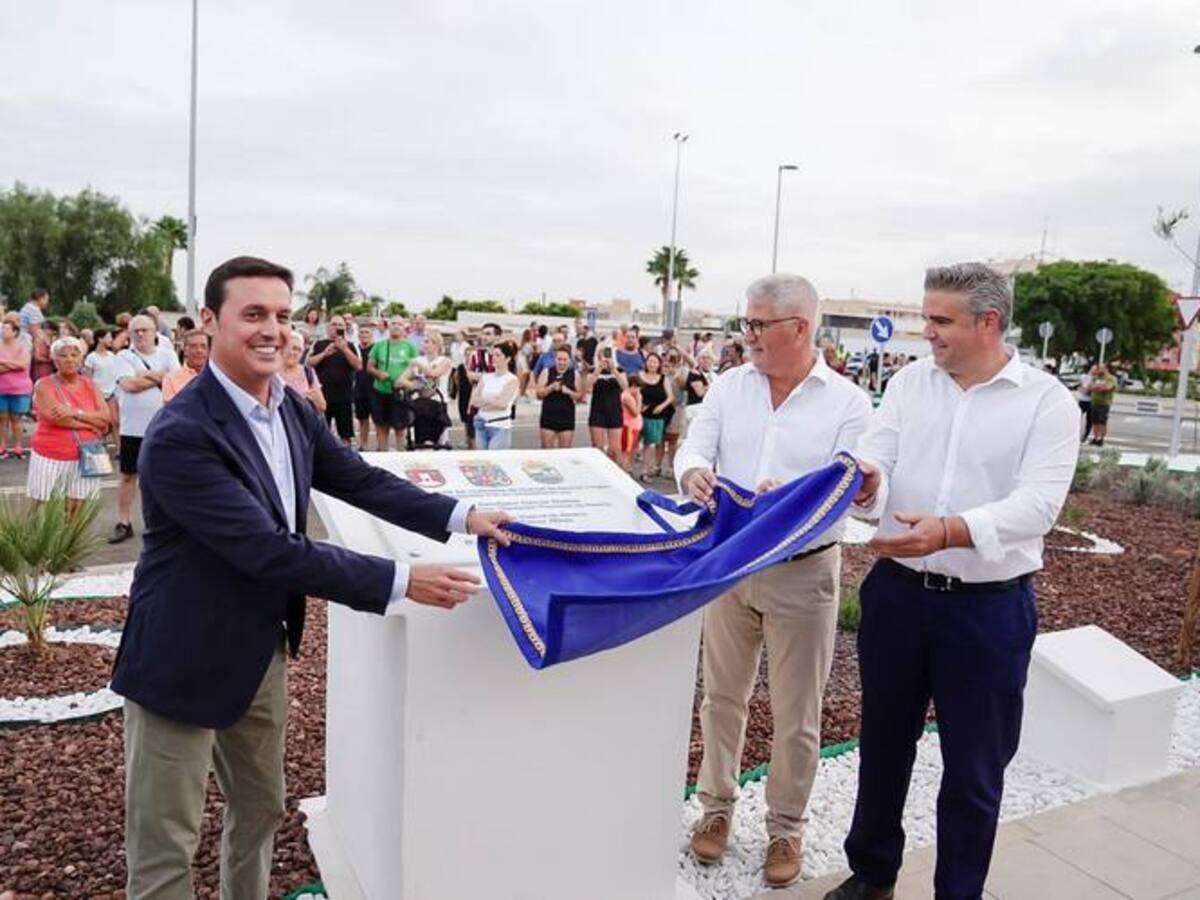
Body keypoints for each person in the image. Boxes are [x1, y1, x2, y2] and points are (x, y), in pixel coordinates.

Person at [110, 256, 512, 899]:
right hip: (177, 661)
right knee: (165, 850)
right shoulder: (181, 434)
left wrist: (465, 516)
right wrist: (404, 581)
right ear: (210, 322)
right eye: (253, 315)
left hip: (258, 652)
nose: (272, 330)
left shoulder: (292, 412)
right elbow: (269, 551)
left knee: (262, 810)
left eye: (282, 316)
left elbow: (358, 479)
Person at [823, 264, 1079, 900]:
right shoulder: (911, 383)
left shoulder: (1046, 403)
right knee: (882, 746)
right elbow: (877, 455)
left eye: (940, 320)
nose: (926, 333)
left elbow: (1039, 506)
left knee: (973, 770)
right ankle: (873, 873)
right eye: (926, 317)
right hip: (897, 597)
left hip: (989, 612)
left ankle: (958, 892)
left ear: (987, 323)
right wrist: (866, 482)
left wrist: (950, 531)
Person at [676, 274, 871, 889]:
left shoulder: (848, 404)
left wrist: (786, 507)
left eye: (759, 325)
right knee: (721, 700)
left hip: (804, 573)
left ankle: (786, 828)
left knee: (797, 713)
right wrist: (694, 476)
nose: (748, 336)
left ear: (801, 328)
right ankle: (715, 812)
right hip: (731, 566)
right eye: (746, 323)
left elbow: (853, 495)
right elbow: (692, 449)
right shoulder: (731, 387)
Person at [109, 314, 180, 544]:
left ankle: (163, 522)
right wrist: (161, 377)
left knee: (163, 477)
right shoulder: (123, 356)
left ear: (154, 332)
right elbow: (128, 385)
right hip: (132, 429)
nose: (140, 334)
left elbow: (176, 384)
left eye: (145, 330)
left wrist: (146, 376)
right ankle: (124, 522)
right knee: (128, 476)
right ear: (129, 334)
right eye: (135, 331)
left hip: (163, 428)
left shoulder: (168, 354)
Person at [26, 337, 110, 513]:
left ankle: (71, 541)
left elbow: (105, 417)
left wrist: (75, 413)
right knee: (41, 506)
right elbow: (56, 418)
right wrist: (90, 425)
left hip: (87, 454)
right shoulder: (44, 385)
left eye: (75, 354)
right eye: (63, 355)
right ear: (54, 360)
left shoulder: (89, 384)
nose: (70, 359)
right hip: (50, 453)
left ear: (81, 358)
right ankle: (37, 541)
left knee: (76, 506)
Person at [305, 313, 362, 445]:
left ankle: (346, 460)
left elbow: (359, 366)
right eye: (334, 324)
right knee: (320, 432)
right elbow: (308, 363)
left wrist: (344, 349)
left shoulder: (352, 345)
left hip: (344, 396)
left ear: (345, 328)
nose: (337, 327)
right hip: (322, 396)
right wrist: (324, 354)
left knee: (346, 434)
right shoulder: (319, 344)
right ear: (328, 327)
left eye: (340, 325)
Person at [366, 316, 419, 451]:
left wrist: (405, 382)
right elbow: (369, 367)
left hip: (400, 394)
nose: (396, 326)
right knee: (381, 426)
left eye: (399, 324)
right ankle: (384, 454)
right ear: (388, 326)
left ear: (404, 328)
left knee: (400, 428)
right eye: (393, 323)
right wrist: (378, 374)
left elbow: (416, 369)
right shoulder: (379, 345)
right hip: (380, 391)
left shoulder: (410, 347)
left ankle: (400, 456)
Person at [470, 343, 519, 450]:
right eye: (493, 355)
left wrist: (484, 401)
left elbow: (502, 404)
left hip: (499, 426)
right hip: (482, 424)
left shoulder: (511, 380)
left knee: (495, 459)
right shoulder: (486, 377)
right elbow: (474, 401)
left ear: (508, 359)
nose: (494, 358)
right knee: (482, 461)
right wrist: (493, 400)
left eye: (498, 355)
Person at [463, 323, 502, 450]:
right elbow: (470, 376)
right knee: (473, 444)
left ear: (498, 337)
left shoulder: (505, 355)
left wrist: (482, 377)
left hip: (497, 404)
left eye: (488, 334)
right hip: (477, 403)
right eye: (483, 333)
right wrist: (492, 377)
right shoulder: (476, 354)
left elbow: (506, 378)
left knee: (494, 445)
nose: (484, 337)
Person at [0, 317, 33, 458]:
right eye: (3, 328)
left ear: (15, 332)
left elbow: (23, 364)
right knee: (2, 419)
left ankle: (18, 446)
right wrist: (14, 365)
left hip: (19, 389)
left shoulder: (22, 346)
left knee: (16, 419)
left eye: (7, 329)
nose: (3, 331)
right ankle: (2, 446)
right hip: (1, 388)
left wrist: (3, 361)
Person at [587, 346, 627, 462]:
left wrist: (613, 370)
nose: (605, 358)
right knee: (597, 447)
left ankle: (612, 471)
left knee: (615, 449)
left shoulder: (619, 370)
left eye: (607, 355)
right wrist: (598, 369)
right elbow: (588, 387)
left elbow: (625, 386)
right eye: (602, 355)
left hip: (614, 411)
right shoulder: (593, 370)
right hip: (597, 410)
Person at [638, 352, 673, 480]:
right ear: (646, 362)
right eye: (650, 361)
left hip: (655, 416)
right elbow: (632, 391)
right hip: (637, 414)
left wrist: (661, 406)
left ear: (659, 364)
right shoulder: (639, 376)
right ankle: (628, 468)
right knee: (633, 444)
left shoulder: (663, 378)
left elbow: (670, 397)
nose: (652, 364)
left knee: (649, 444)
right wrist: (638, 404)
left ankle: (644, 471)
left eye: (655, 362)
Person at [536, 346, 580, 448]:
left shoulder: (574, 374)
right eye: (559, 359)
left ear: (569, 360)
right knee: (547, 449)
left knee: (565, 451)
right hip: (548, 417)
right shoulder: (547, 372)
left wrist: (568, 391)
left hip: (567, 417)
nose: (562, 362)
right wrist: (550, 388)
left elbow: (580, 396)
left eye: (565, 359)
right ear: (555, 359)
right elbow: (538, 394)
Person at [85, 329, 120, 442]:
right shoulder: (91, 357)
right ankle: (99, 444)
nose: (111, 340)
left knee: (115, 421)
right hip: (98, 394)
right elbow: (87, 378)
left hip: (112, 393)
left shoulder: (112, 355)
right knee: (100, 422)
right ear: (100, 339)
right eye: (108, 337)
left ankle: (120, 450)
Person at [281, 331, 327, 415]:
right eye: (290, 348)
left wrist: (316, 400)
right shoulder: (270, 373)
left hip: (303, 423)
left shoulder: (307, 372)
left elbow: (322, 407)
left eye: (298, 349)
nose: (293, 353)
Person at [162, 330, 210, 403]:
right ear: (185, 350)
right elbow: (172, 410)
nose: (199, 350)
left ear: (209, 350)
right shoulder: (171, 378)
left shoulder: (219, 377)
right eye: (193, 346)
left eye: (203, 346)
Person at [353, 329, 375, 450]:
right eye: (361, 332)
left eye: (367, 332)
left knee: (378, 420)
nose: (364, 335)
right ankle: (363, 444)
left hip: (374, 388)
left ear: (371, 335)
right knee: (362, 419)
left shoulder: (376, 349)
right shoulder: (356, 350)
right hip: (359, 389)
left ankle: (381, 445)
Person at [1087, 363, 1116, 447]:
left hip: (1104, 403)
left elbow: (1107, 388)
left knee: (1102, 422)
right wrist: (1098, 387)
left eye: (1101, 368)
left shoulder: (1110, 378)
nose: (1098, 370)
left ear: (1106, 369)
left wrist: (1096, 387)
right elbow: (1089, 387)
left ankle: (1101, 439)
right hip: (1094, 402)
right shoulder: (1096, 378)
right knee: (1095, 422)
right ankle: (1095, 438)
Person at [619, 376, 643, 475]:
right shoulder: (627, 397)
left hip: (633, 426)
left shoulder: (629, 396)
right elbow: (636, 412)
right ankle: (625, 470)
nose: (639, 391)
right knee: (626, 451)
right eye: (638, 388)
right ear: (633, 386)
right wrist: (639, 399)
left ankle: (628, 468)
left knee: (632, 449)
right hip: (628, 426)